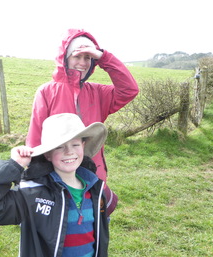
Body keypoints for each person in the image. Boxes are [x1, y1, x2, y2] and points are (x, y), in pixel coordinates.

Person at [0, 113, 109, 257]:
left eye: (75, 144)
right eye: (60, 147)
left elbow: (100, 237)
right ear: (48, 154)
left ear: (83, 146)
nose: (69, 152)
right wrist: (13, 166)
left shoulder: (95, 189)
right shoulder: (33, 193)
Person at [26, 28, 139, 216]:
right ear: (64, 57)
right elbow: (36, 139)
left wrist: (103, 57)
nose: (83, 63)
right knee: (62, 236)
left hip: (93, 179)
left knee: (96, 235)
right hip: (57, 180)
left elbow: (129, 90)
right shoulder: (47, 92)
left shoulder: (98, 93)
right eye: (77, 56)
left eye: (88, 58)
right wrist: (35, 180)